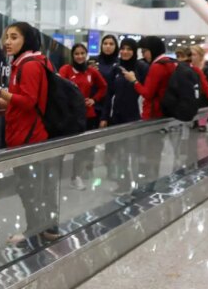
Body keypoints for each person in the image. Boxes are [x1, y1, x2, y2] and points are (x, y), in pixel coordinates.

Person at [0, 22, 61, 245]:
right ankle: (45, 228)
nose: (7, 42)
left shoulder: (30, 65)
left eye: (14, 37)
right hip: (28, 134)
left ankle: (34, 233)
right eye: (6, 36)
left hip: (29, 138)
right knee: (35, 188)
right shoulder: (28, 63)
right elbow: (18, 104)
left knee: (30, 189)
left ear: (27, 40)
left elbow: (28, 102)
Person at [101, 38, 148, 194]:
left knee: (134, 153)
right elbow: (109, 95)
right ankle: (124, 182)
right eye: (123, 48)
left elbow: (147, 92)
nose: (125, 52)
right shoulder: (117, 69)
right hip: (118, 118)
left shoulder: (141, 67)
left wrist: (134, 80)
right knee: (120, 153)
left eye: (129, 49)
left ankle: (137, 184)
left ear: (134, 51)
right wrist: (105, 117)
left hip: (136, 118)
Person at [59, 43, 107, 190]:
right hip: (68, 116)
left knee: (83, 148)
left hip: (87, 115)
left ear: (86, 55)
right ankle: (55, 177)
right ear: (72, 55)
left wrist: (94, 99)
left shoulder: (91, 72)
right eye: (76, 54)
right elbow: (59, 89)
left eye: (82, 53)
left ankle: (76, 176)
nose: (79, 56)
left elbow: (103, 86)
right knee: (62, 147)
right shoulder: (66, 70)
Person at [123, 36, 173, 120]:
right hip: (167, 109)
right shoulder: (170, 62)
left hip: (155, 113)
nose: (143, 55)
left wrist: (134, 80)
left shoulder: (157, 66)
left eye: (144, 51)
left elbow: (147, 94)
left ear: (153, 49)